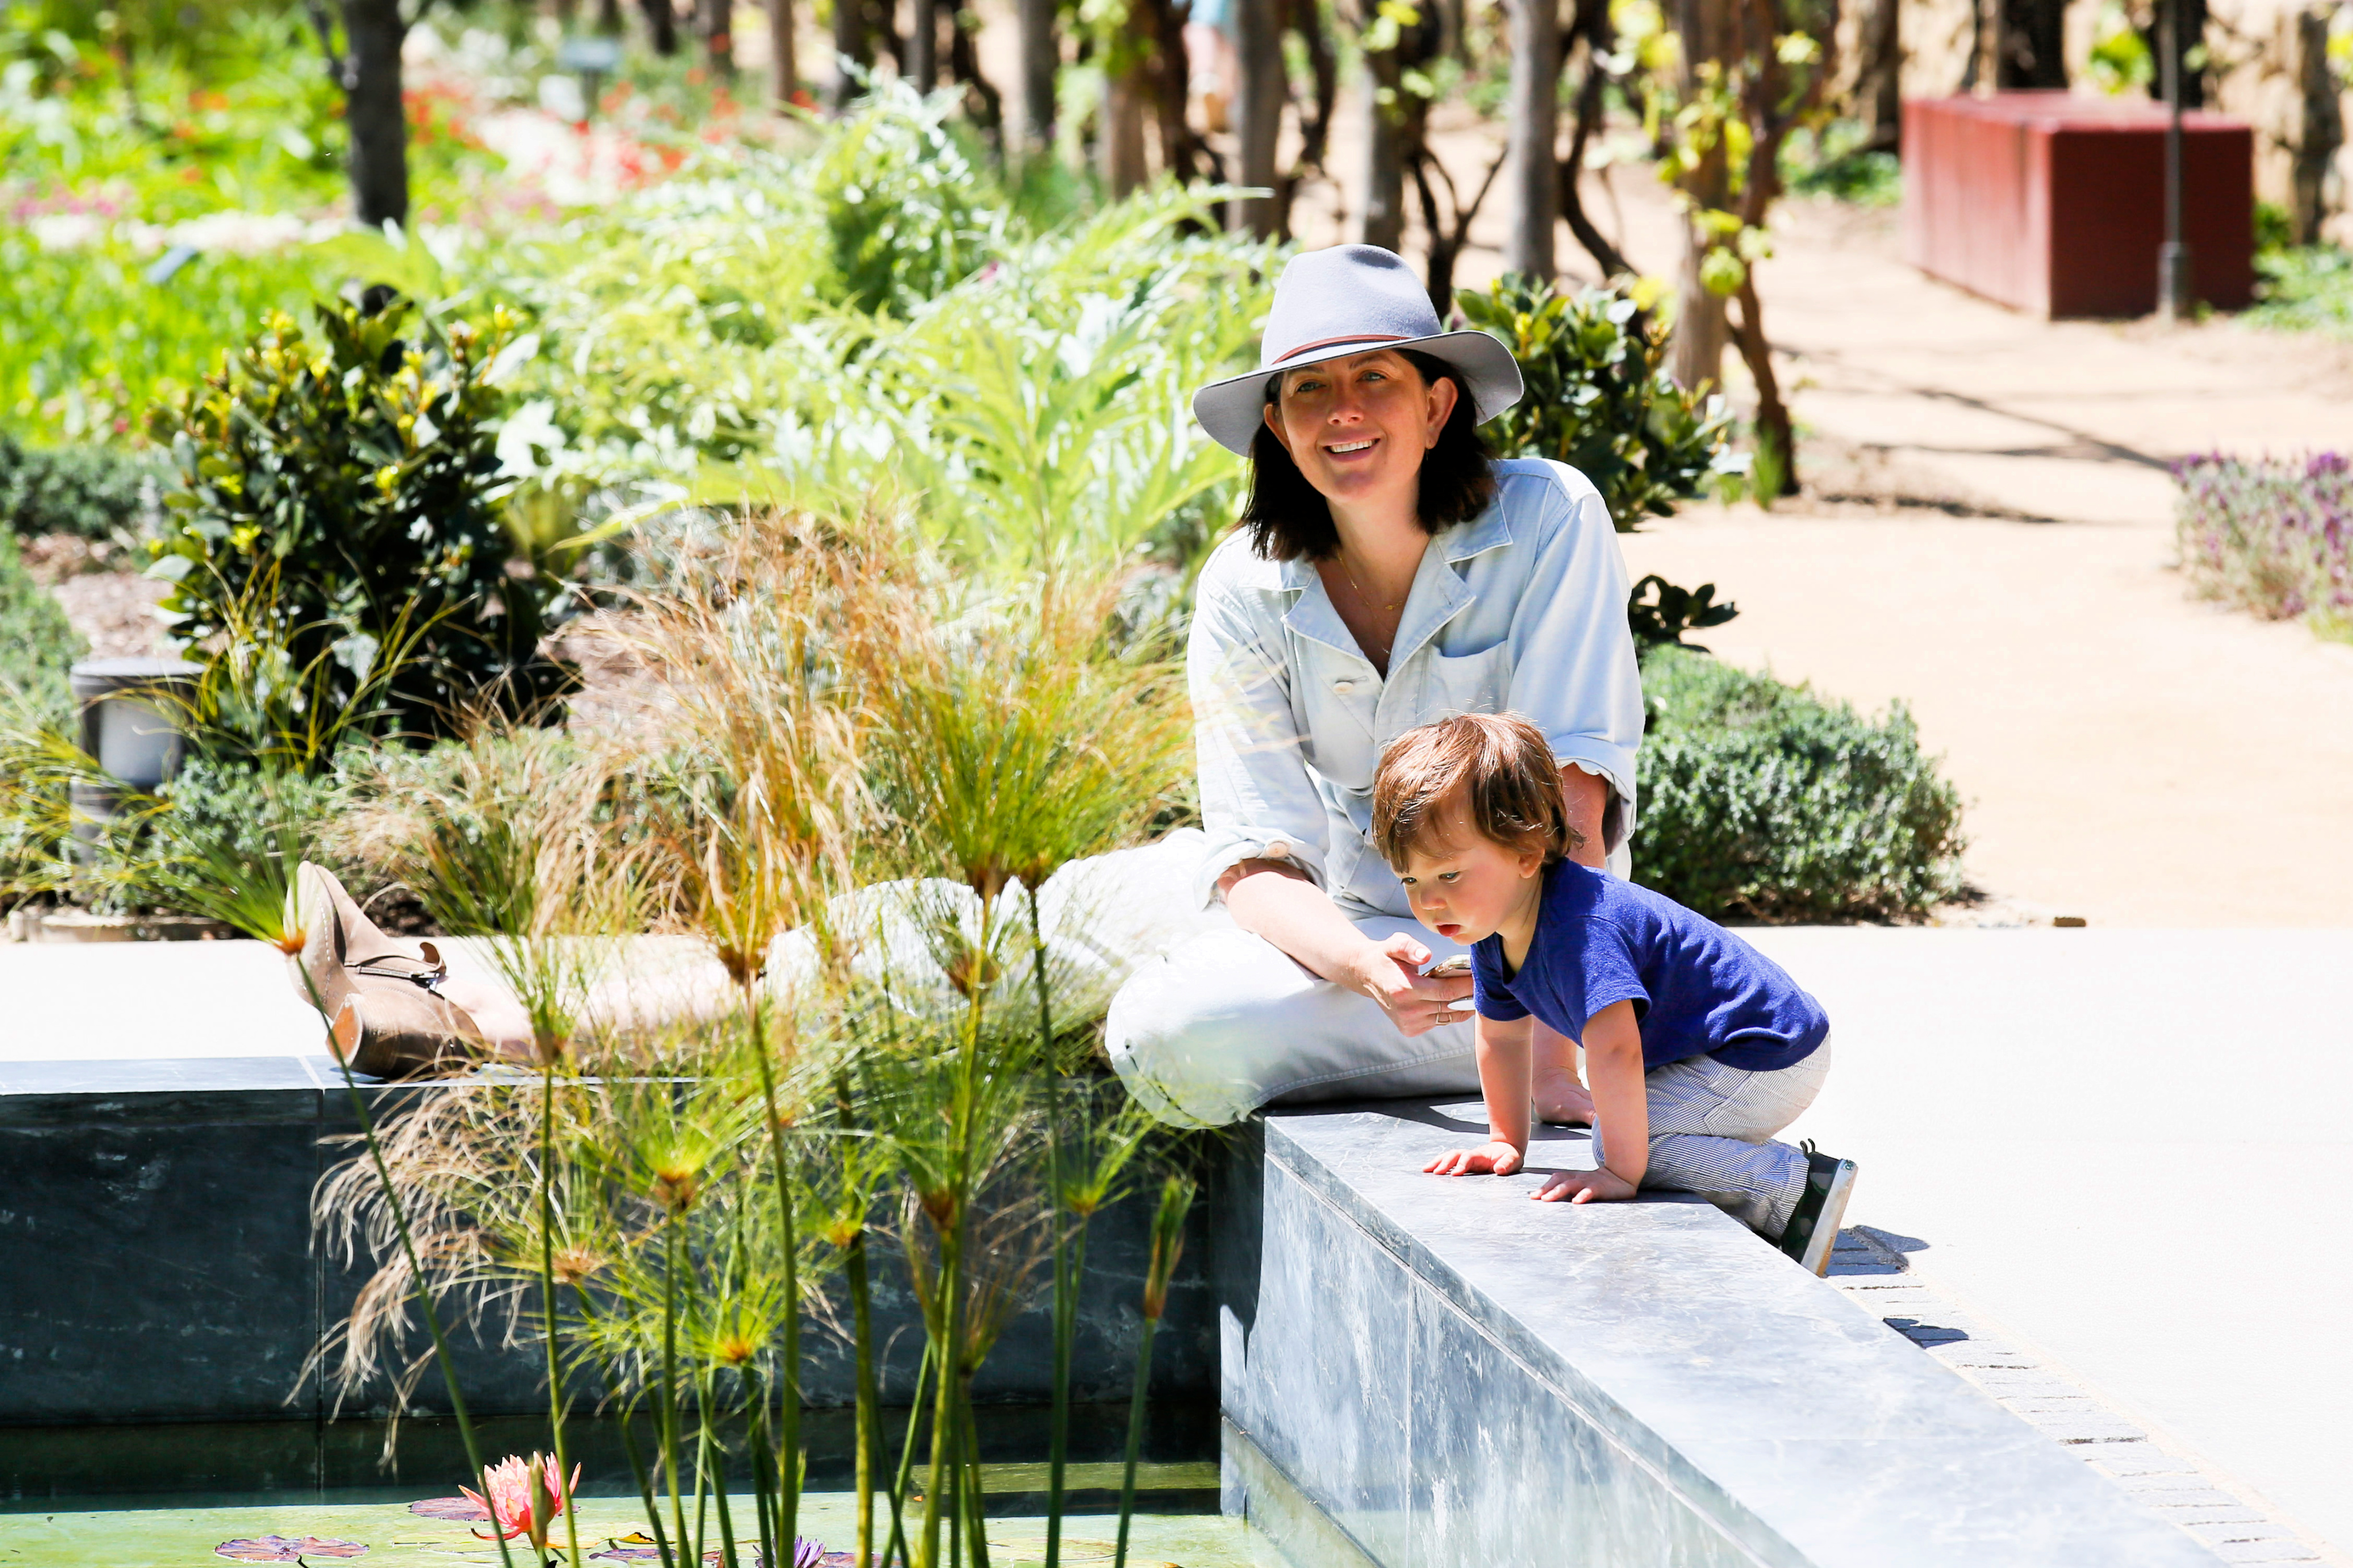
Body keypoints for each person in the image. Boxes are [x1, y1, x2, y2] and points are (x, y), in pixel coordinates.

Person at [1102, 244, 1644, 1129]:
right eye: (1309, 387)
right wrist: (1363, 966)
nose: (1342, 411)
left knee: (1189, 1027)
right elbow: (1258, 859)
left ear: (1437, 406)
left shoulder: (1552, 518)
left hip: (1538, 940)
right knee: (1163, 1030)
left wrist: (1549, 1049)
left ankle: (1541, 1037)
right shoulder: (1244, 585)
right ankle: (1479, 1048)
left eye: (1374, 378)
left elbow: (1572, 810)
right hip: (1350, 938)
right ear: (1277, 424)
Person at [1372, 712, 1857, 1273]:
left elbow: (1615, 1052)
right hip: (1717, 1052)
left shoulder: (1581, 928)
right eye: (1412, 880)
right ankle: (1762, 1183)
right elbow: (1502, 1040)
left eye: (1449, 875)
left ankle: (1795, 1192)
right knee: (1626, 1134)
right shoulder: (1492, 927)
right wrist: (1506, 1142)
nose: (1429, 902)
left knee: (1623, 1146)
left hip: (1767, 1053)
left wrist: (1618, 1175)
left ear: (1526, 855)